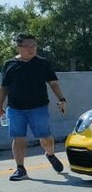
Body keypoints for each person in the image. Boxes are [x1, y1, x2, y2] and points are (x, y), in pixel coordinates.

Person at [0, 33, 67, 181]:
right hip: (15, 108)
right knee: (18, 138)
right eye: (28, 46)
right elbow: (4, 87)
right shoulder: (9, 64)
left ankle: (49, 154)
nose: (32, 49)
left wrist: (62, 99)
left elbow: (53, 83)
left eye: (34, 46)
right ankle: (21, 169)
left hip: (38, 107)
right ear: (19, 47)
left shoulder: (42, 63)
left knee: (46, 139)